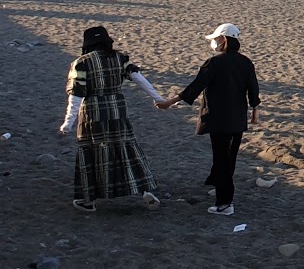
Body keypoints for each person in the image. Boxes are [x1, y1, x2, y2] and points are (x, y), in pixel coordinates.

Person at [156, 23, 260, 216]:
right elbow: (253, 88)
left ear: (224, 39)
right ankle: (218, 185)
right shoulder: (246, 62)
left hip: (218, 119)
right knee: (229, 158)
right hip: (237, 119)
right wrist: (255, 110)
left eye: (216, 39)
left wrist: (169, 102)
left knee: (222, 159)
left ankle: (224, 203)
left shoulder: (214, 63)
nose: (214, 42)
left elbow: (195, 87)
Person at [59, 25, 163, 213]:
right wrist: (159, 98)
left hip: (93, 115)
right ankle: (144, 190)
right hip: (118, 111)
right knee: (127, 150)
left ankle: (88, 201)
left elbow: (76, 95)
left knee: (93, 155)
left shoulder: (81, 63)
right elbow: (140, 79)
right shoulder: (120, 59)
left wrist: (68, 122)